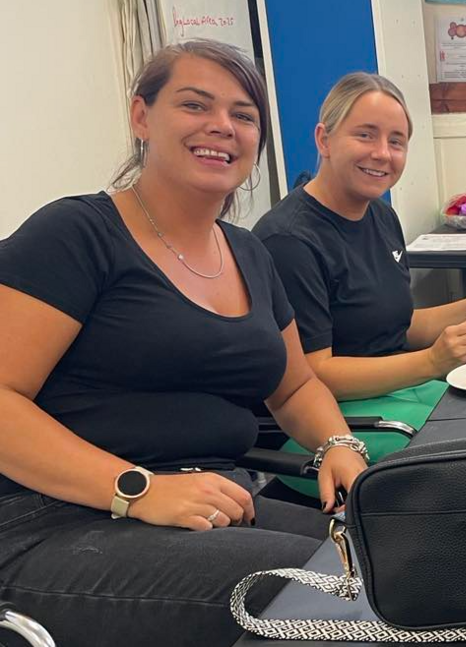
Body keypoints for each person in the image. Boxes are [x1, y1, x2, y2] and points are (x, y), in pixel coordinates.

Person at [0, 40, 367, 647]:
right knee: (331, 597)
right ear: (142, 117)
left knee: (388, 558)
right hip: (55, 521)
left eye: (243, 116)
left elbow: (296, 383)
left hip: (209, 501)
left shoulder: (248, 251)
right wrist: (138, 489)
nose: (221, 126)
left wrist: (337, 444)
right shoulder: (76, 235)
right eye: (195, 105)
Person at [254, 73, 466, 408]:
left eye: (396, 141)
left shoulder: (382, 217)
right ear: (324, 140)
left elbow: (394, 325)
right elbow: (312, 375)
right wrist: (431, 362)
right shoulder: (289, 241)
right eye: (365, 135)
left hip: (399, 390)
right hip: (342, 414)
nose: (382, 153)